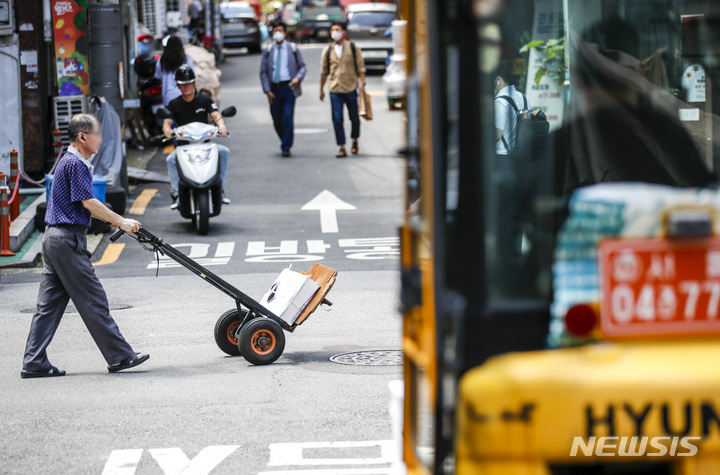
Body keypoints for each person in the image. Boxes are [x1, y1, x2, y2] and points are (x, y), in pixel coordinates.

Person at [22, 114, 148, 378]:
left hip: (54, 239)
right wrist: (121, 220)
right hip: (66, 242)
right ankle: (120, 356)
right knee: (93, 299)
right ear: (82, 137)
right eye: (97, 134)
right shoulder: (75, 163)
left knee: (48, 306)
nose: (101, 139)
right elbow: (88, 201)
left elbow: (76, 206)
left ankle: (34, 361)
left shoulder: (67, 163)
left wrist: (105, 222)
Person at [164, 65, 231, 208]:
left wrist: (222, 126)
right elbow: (167, 121)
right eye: (182, 84)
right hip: (184, 147)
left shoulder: (204, 100)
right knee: (170, 159)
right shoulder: (174, 104)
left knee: (224, 152)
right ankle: (177, 194)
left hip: (205, 144)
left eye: (188, 83)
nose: (186, 87)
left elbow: (216, 114)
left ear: (194, 83)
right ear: (178, 86)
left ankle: (221, 189)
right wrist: (167, 130)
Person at [259, 21, 307, 157]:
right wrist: (267, 90)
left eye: (280, 30)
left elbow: (302, 66)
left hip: (289, 87)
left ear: (285, 33)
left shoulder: (293, 48)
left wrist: (298, 78)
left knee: (287, 116)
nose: (277, 33)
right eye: (275, 31)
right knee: (276, 119)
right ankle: (284, 138)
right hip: (274, 88)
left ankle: (286, 146)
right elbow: (263, 72)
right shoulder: (268, 50)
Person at [319, 21, 366, 158]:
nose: (335, 33)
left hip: (350, 88)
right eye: (333, 30)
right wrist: (321, 89)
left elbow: (361, 67)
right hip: (334, 89)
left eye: (337, 29)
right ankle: (342, 146)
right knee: (337, 119)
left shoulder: (353, 47)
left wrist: (362, 83)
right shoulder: (327, 50)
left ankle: (355, 140)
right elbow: (324, 71)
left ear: (344, 32)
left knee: (354, 118)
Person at [494, 63, 530, 156]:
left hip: (503, 156)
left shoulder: (500, 102)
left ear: (498, 80)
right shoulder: (523, 98)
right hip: (521, 156)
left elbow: (497, 135)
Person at [155, 36, 195, 107]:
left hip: (168, 96)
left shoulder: (161, 61)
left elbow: (158, 76)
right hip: (184, 94)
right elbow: (193, 75)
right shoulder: (186, 59)